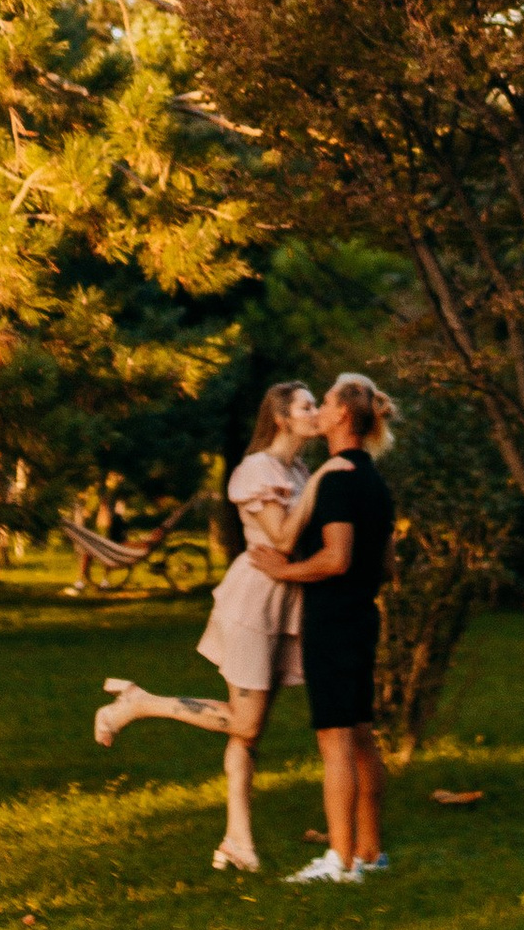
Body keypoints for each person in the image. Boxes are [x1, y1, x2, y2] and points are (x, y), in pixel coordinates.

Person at [93, 382, 320, 871]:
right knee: (246, 721)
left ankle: (237, 842)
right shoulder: (258, 469)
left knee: (248, 733)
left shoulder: (298, 470)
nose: (316, 412)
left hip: (287, 602)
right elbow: (280, 537)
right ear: (281, 417)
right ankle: (139, 703)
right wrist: (325, 485)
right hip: (255, 602)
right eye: (307, 406)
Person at [247, 371, 396, 887]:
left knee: (334, 740)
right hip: (362, 615)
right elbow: (382, 560)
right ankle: (370, 852)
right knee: (359, 735)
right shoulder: (371, 478)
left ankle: (339, 861)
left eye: (326, 401)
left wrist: (282, 570)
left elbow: (336, 558)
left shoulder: (335, 479)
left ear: (340, 417)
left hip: (333, 620)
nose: (318, 409)